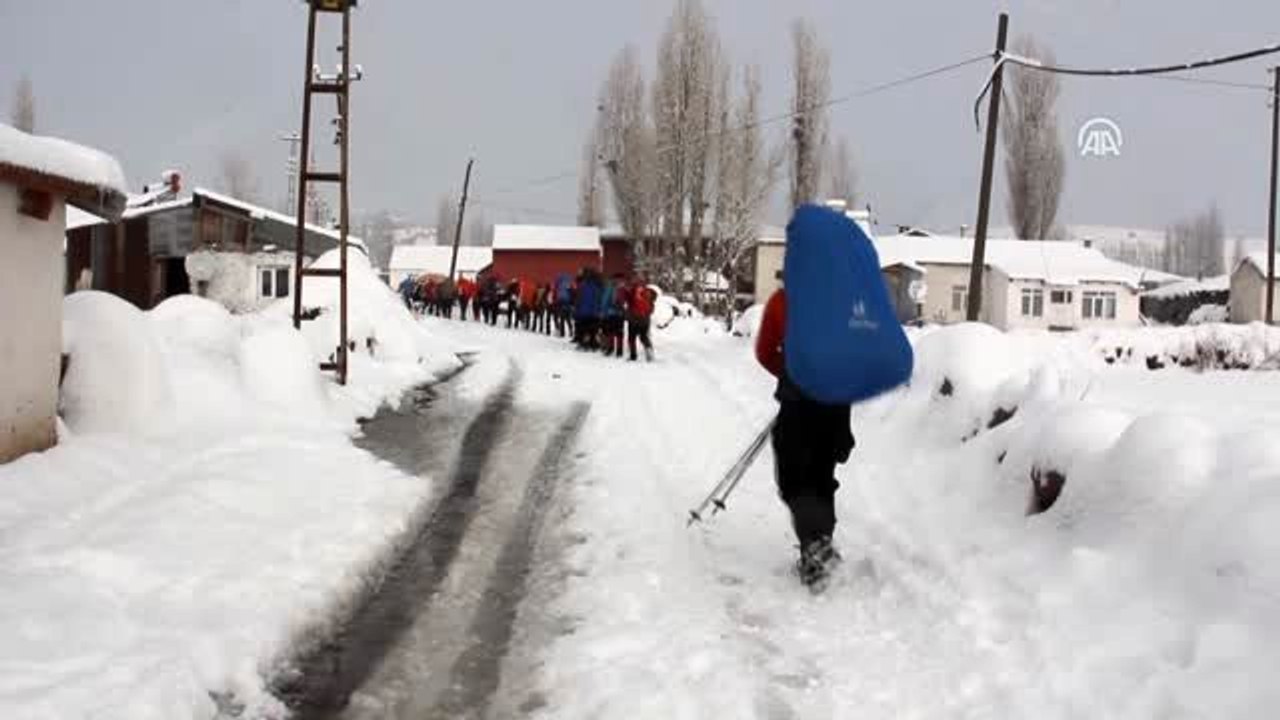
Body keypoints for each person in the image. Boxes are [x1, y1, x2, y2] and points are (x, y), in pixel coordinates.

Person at [754, 287, 856, 589]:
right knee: (821, 474)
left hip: (798, 404)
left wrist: (789, 375)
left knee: (794, 478)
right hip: (836, 404)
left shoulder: (784, 300)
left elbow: (765, 352)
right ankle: (821, 541)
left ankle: (814, 546)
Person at [626, 278, 656, 362]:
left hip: (634, 319)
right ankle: (649, 350)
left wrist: (628, 314)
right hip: (645, 320)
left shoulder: (632, 292)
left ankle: (633, 355)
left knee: (631, 338)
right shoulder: (648, 292)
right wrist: (647, 314)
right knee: (643, 336)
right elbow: (652, 308)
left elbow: (628, 304)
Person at [601, 276, 626, 358]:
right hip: (621, 314)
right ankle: (620, 351)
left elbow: (605, 301)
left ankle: (610, 349)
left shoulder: (610, 288)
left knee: (610, 332)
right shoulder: (624, 288)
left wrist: (603, 313)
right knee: (620, 333)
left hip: (611, 313)